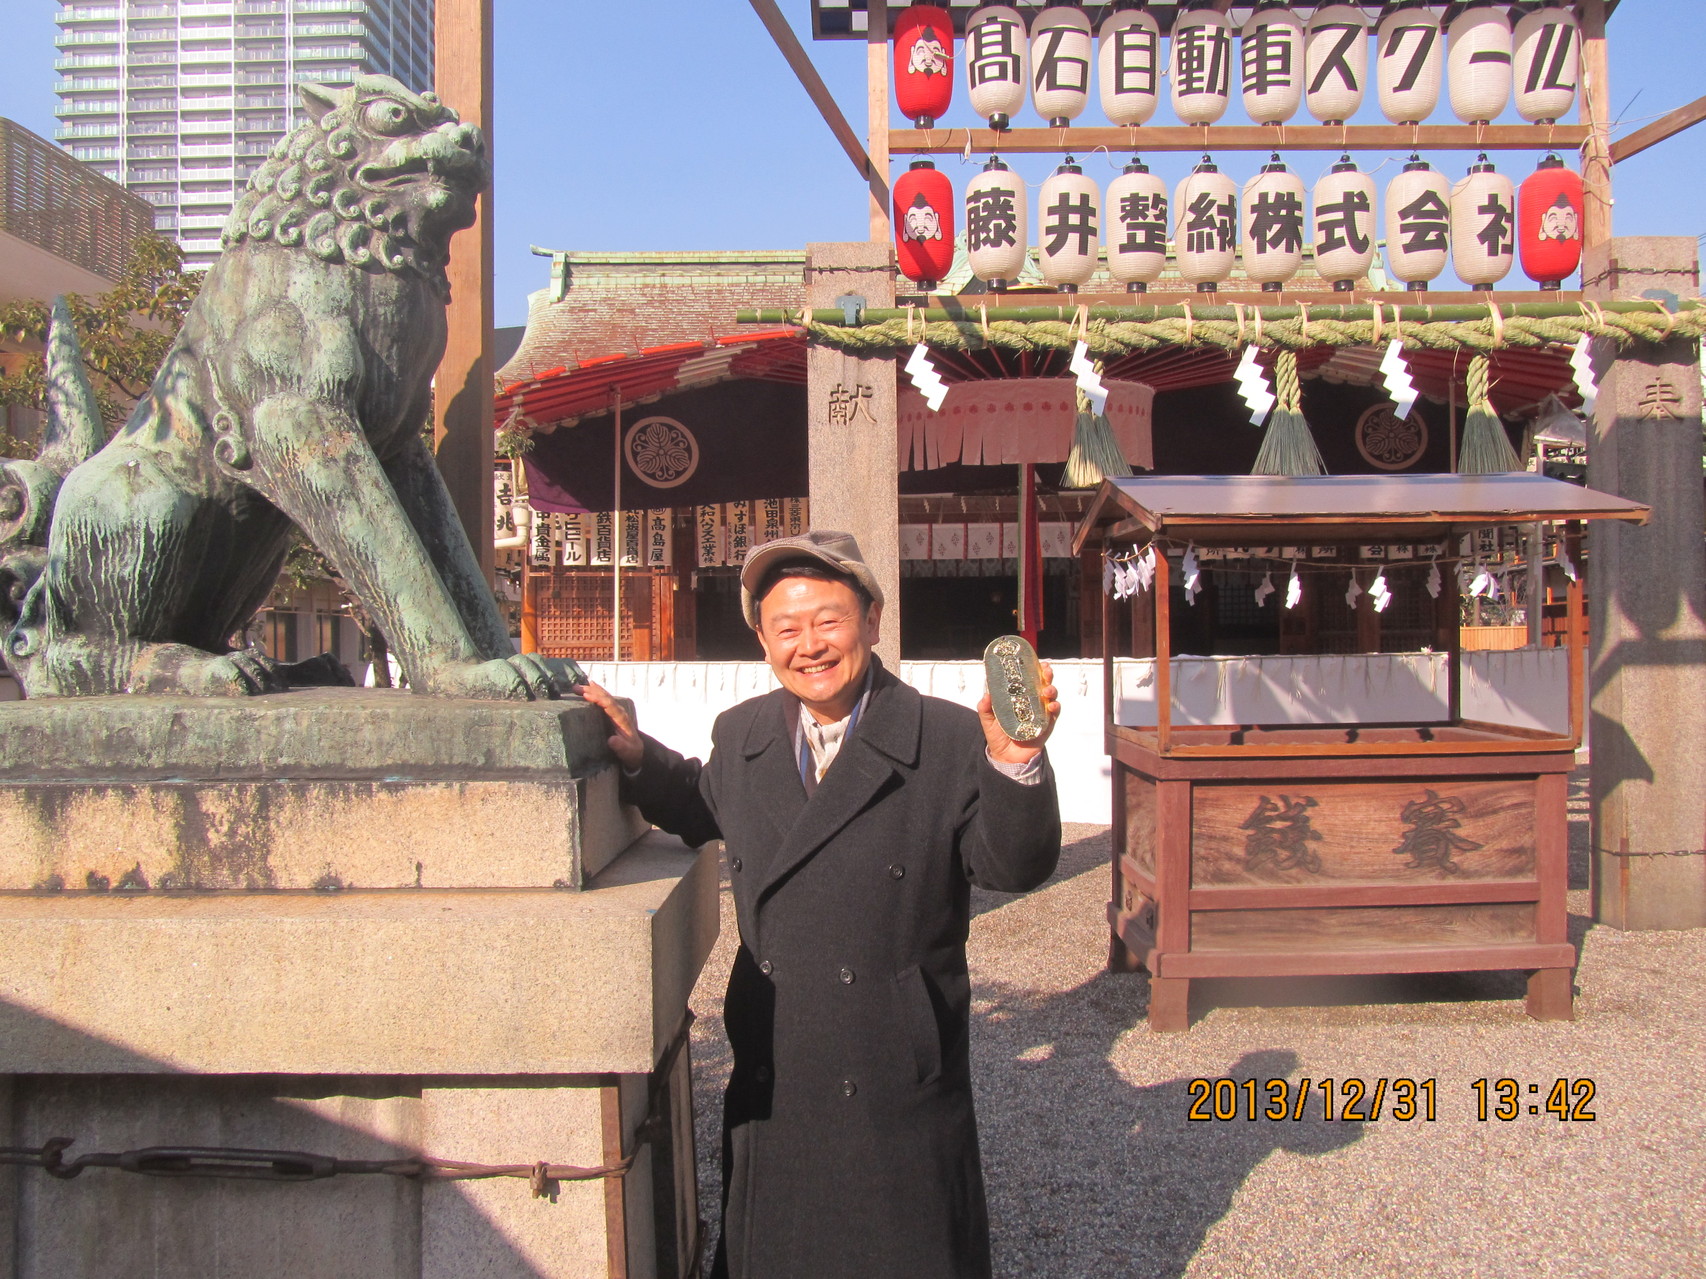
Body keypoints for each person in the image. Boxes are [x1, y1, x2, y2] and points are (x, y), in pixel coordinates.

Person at [576, 529, 1061, 1279]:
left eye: (829, 621)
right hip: (779, 1063)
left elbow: (1015, 865)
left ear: (871, 619)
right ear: (764, 640)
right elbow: (704, 804)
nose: (811, 645)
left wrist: (1016, 758)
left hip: (895, 1066)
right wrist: (640, 758)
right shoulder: (742, 736)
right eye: (787, 627)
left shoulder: (947, 735)